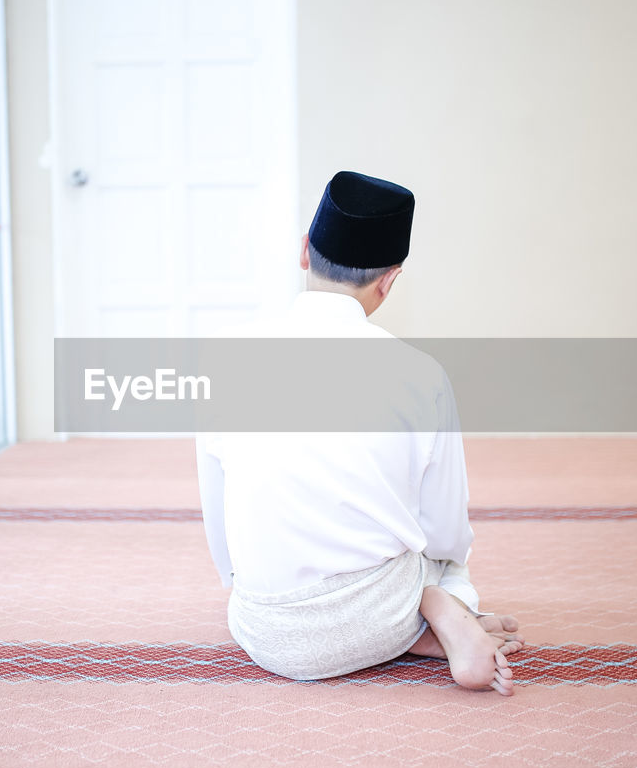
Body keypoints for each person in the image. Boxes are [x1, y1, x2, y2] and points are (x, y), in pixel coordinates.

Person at [195, 171, 523, 694]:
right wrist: (444, 573)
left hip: (263, 629)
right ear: (389, 280)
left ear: (304, 250)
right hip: (382, 614)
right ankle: (440, 608)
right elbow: (443, 527)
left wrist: (235, 581)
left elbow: (217, 506)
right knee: (438, 553)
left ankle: (420, 620)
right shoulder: (420, 374)